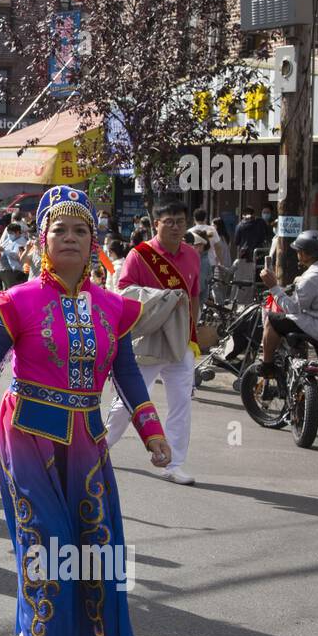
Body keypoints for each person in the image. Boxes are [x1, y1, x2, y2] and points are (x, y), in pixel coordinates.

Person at [0, 185, 168, 636]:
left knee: (89, 549)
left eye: (79, 231)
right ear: (41, 240)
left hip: (87, 441)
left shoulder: (113, 309)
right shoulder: (18, 300)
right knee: (46, 542)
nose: (69, 238)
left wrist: (152, 431)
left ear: (93, 242)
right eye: (59, 230)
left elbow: (128, 375)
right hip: (27, 433)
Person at [104, 200, 200, 485]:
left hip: (181, 340)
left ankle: (174, 463)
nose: (175, 226)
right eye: (168, 221)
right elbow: (125, 293)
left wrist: (193, 329)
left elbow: (194, 295)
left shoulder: (192, 255)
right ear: (156, 224)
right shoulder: (140, 255)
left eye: (180, 221)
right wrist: (162, 299)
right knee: (129, 398)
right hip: (148, 337)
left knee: (181, 401)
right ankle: (101, 447)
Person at [257, 230, 318, 445]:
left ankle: (267, 365)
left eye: (300, 252)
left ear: (309, 254)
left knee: (273, 320)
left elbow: (293, 306)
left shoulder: (311, 278)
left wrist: (274, 287)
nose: (297, 255)